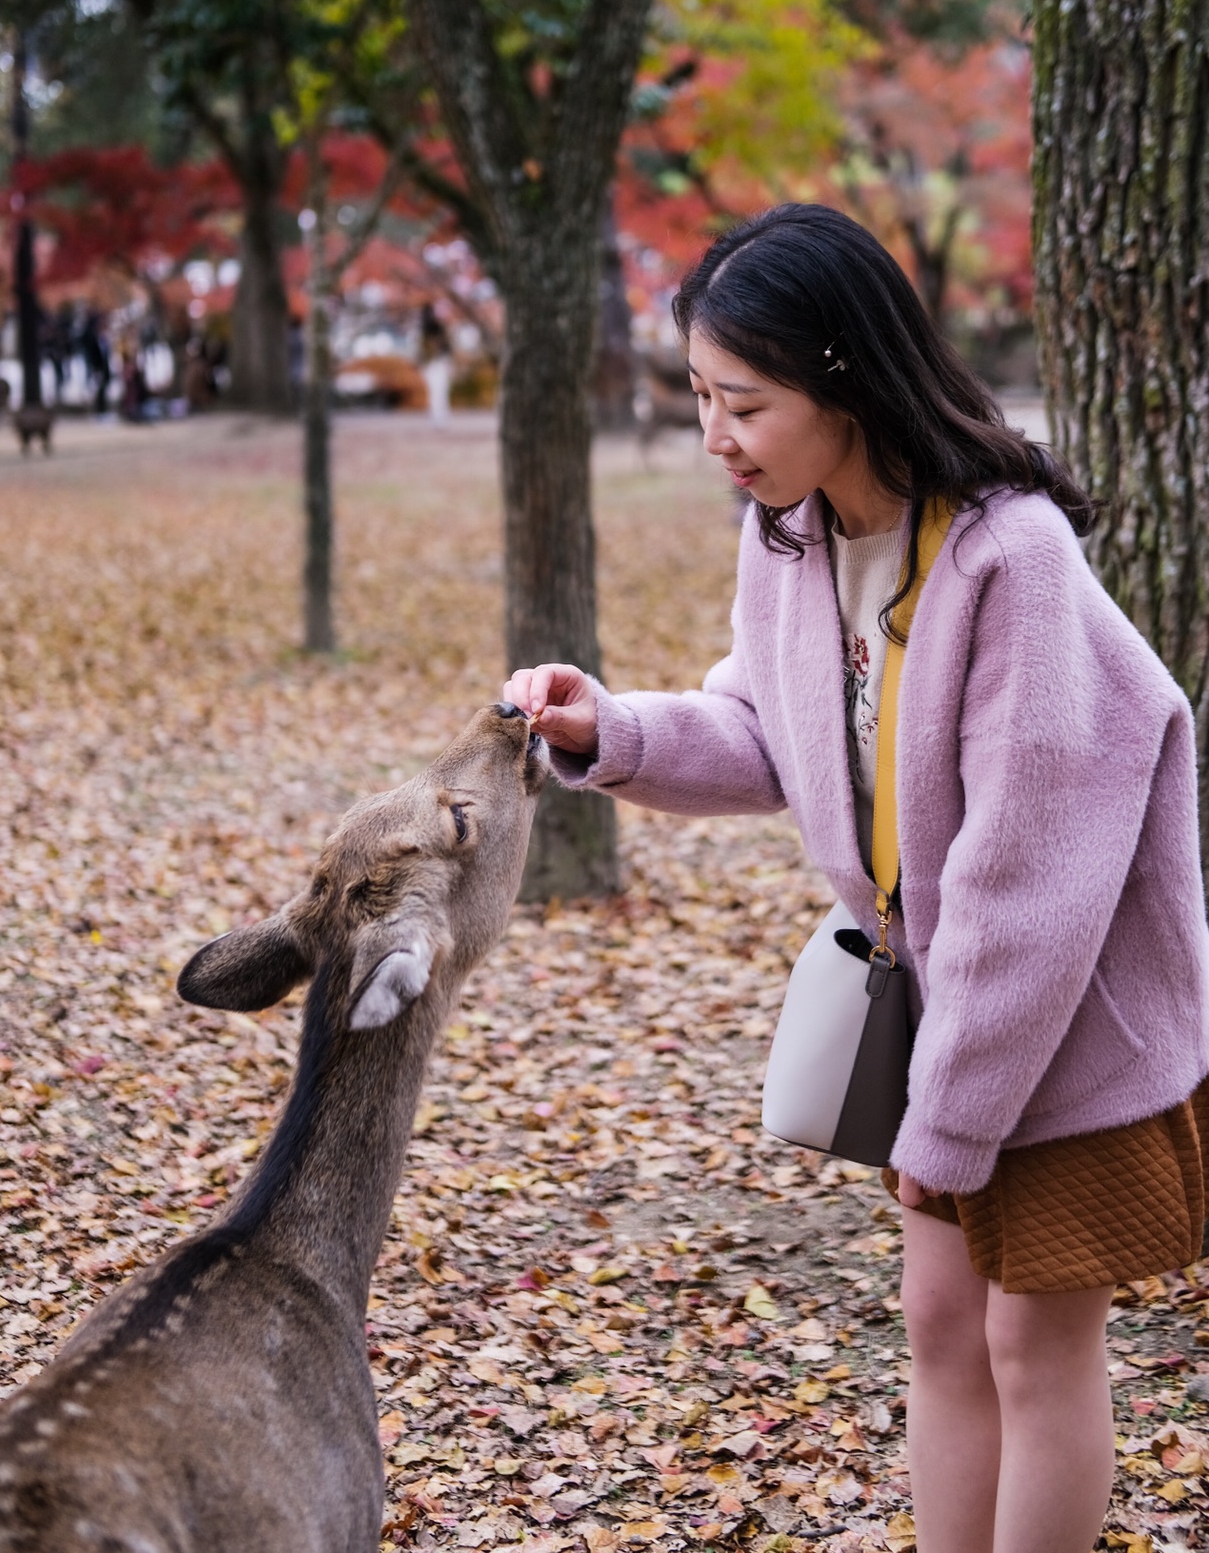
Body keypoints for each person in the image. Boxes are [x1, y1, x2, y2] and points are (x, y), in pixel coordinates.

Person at [505, 203, 1209, 1553]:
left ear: (844, 381)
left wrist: (943, 1131)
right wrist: (612, 732)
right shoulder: (792, 539)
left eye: (743, 403)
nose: (716, 435)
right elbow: (772, 734)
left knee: (1032, 1345)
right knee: (942, 1326)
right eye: (702, 397)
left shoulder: (1013, 560)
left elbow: (1031, 889)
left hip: (1068, 1020)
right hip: (957, 1015)